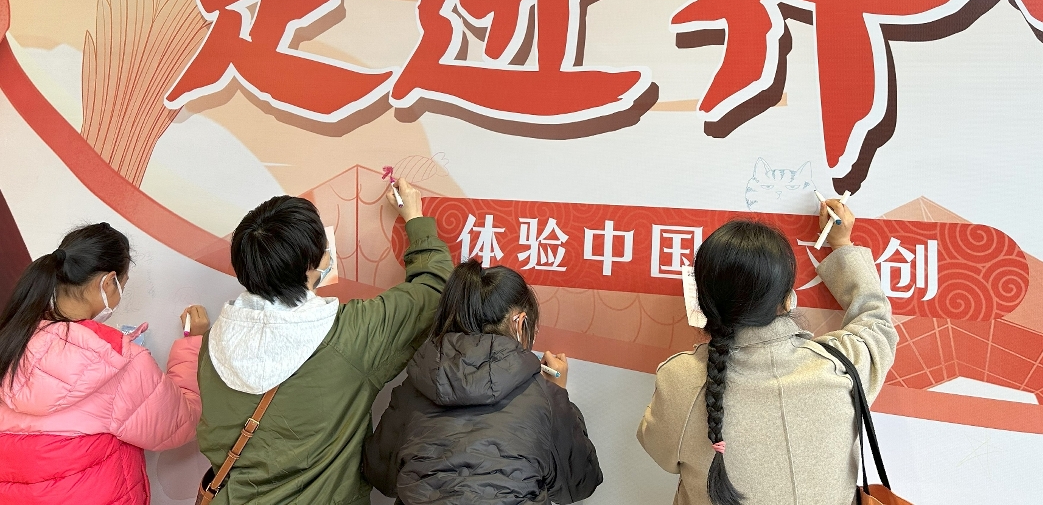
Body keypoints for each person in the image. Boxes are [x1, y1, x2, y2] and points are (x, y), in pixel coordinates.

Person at [196, 178, 452, 505]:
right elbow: (434, 290)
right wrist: (415, 218)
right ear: (312, 265)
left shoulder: (213, 344)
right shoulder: (352, 335)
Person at [637, 200, 898, 505]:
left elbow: (662, 454)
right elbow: (877, 322)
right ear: (788, 301)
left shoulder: (681, 381)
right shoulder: (841, 367)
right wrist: (841, 244)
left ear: (701, 302)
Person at [363, 260, 603, 504]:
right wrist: (558, 394)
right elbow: (579, 483)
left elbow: (380, 475)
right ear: (519, 323)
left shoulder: (413, 388)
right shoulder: (545, 396)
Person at [0, 222, 207, 505]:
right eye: (123, 285)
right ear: (108, 282)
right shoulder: (115, 361)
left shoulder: (12, 340)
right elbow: (181, 424)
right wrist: (191, 344)